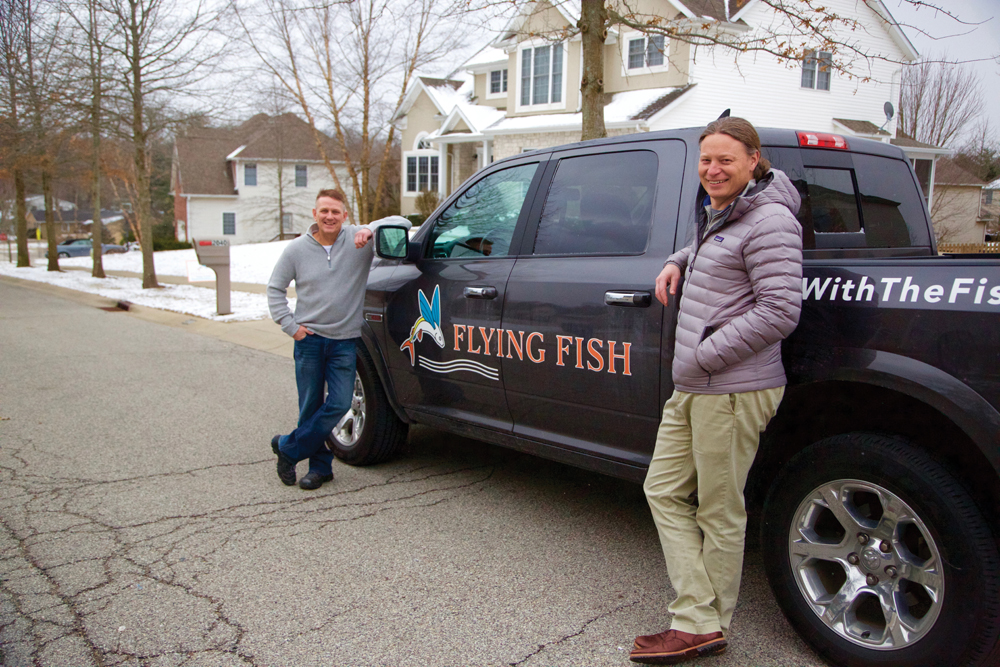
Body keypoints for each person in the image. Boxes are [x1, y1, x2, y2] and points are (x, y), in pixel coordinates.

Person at [630, 118, 803, 665]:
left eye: (726, 159)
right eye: (706, 159)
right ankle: (698, 612)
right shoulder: (730, 213)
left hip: (730, 387)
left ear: (755, 160)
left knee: (719, 510)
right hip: (698, 386)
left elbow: (780, 310)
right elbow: (720, 249)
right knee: (662, 489)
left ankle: (700, 623)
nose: (713, 169)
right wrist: (678, 257)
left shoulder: (771, 219)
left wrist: (703, 354)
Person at [267, 189, 409, 490]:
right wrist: (291, 327)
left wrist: (370, 228)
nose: (329, 216)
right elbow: (274, 290)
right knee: (310, 407)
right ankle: (320, 468)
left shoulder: (359, 240)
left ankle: (288, 448)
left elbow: (403, 223)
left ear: (345, 215)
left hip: (345, 342)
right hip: (308, 341)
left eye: (335, 211)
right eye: (324, 211)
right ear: (315, 214)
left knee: (340, 402)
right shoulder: (296, 250)